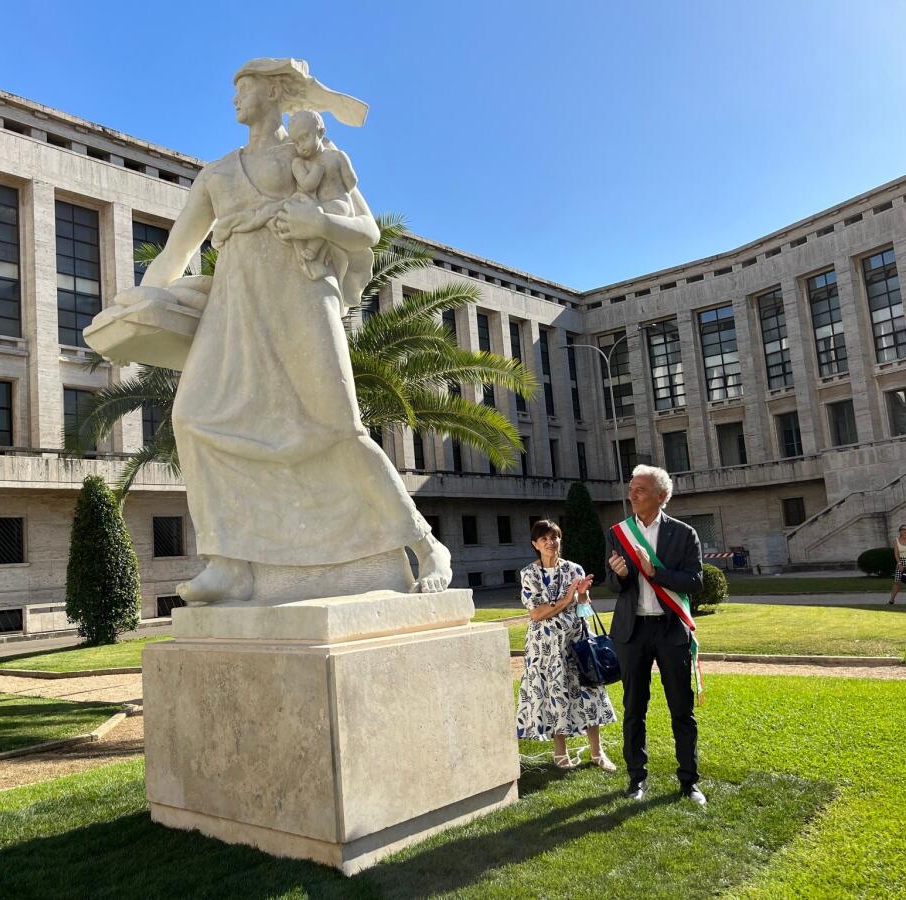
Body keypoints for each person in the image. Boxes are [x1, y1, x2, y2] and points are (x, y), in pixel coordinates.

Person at [119, 58, 452, 603]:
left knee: (339, 428)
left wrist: (320, 222)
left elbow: (366, 230)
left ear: (274, 91)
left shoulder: (315, 158)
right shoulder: (217, 175)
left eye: (243, 87)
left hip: (301, 298)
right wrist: (133, 306)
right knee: (193, 417)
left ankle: (423, 546)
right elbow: (174, 256)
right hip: (237, 314)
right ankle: (229, 561)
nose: (234, 98)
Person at [606, 464, 706, 806]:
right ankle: (636, 779)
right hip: (631, 631)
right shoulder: (618, 533)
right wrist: (619, 576)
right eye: (632, 488)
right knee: (634, 707)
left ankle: (689, 782)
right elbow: (614, 585)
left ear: (661, 497)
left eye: (641, 490)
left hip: (669, 630)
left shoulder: (684, 534)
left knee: (681, 708)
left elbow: (695, 582)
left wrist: (656, 573)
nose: (632, 494)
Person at [516, 519, 617, 770]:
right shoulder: (529, 573)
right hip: (546, 647)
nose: (551, 542)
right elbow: (537, 614)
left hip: (578, 642)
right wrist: (567, 598)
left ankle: (597, 752)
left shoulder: (574, 569)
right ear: (535, 544)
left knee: (589, 692)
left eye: (555, 537)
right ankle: (560, 754)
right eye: (544, 539)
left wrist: (581, 595)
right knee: (555, 694)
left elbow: (583, 609)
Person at [286, 109, 357, 279]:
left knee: (322, 215)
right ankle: (316, 253)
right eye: (296, 143)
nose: (301, 146)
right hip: (314, 207)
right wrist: (317, 171)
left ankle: (313, 249)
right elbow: (307, 185)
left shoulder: (337, 156)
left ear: (321, 132)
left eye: (305, 138)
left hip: (339, 204)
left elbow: (351, 181)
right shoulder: (298, 163)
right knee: (311, 215)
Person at [891, 524, 906, 605]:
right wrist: (899, 563)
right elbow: (896, 554)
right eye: (903, 529)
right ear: (900, 531)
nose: (905, 531)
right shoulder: (896, 540)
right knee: (897, 582)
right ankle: (891, 600)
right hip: (901, 562)